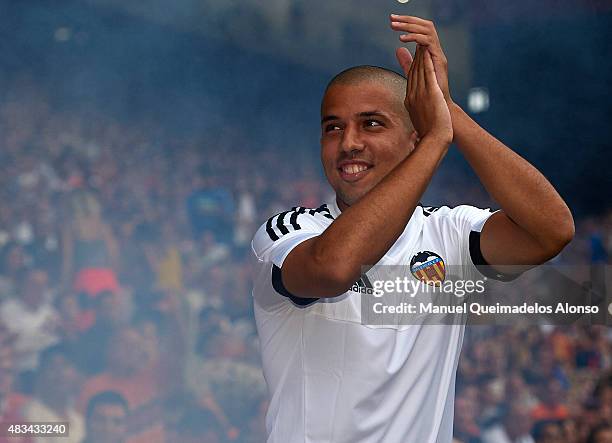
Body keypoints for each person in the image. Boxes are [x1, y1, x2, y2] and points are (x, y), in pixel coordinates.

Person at [251, 14, 574, 443]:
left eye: (372, 123)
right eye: (334, 127)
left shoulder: (448, 233)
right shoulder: (288, 232)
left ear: (413, 139)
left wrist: (451, 116)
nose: (349, 142)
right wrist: (436, 139)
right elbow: (333, 269)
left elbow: (551, 231)